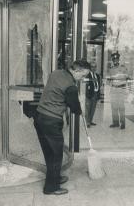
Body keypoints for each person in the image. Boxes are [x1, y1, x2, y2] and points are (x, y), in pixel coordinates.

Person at [34, 59, 90, 195]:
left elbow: (56, 92)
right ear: (76, 70)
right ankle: (51, 188)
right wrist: (80, 105)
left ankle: (55, 178)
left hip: (39, 117)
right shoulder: (70, 86)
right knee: (56, 155)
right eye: (82, 75)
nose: (82, 79)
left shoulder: (56, 73)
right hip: (51, 122)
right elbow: (75, 109)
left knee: (49, 153)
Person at [108, 51, 129, 129]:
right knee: (113, 107)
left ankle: (122, 123)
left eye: (116, 59)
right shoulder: (110, 69)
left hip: (121, 89)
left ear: (119, 60)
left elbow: (127, 77)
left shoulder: (123, 67)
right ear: (112, 60)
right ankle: (115, 123)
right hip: (113, 89)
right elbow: (110, 79)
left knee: (121, 107)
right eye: (114, 59)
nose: (115, 61)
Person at [85, 62, 101, 128]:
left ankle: (90, 121)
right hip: (89, 94)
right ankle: (87, 122)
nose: (93, 68)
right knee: (88, 109)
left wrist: (98, 93)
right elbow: (85, 84)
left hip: (95, 94)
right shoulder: (87, 75)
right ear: (90, 68)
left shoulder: (97, 75)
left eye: (95, 67)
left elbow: (99, 84)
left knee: (93, 109)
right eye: (92, 67)